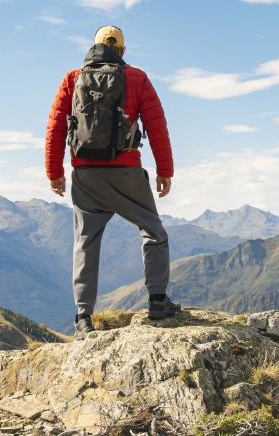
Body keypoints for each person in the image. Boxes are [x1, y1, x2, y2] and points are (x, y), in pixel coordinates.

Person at [44, 25, 181, 340]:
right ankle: (158, 301)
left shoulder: (72, 78)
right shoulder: (137, 78)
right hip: (126, 172)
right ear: (122, 51)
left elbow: (54, 127)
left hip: (85, 175)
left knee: (85, 242)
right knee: (154, 232)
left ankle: (82, 317)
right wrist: (165, 170)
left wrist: (55, 172)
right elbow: (157, 125)